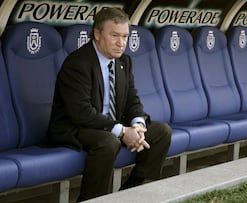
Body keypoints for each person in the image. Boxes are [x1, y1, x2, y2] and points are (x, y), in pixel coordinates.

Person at [47, 7, 171, 201]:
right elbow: (81, 113)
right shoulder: (77, 64)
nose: (121, 43)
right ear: (97, 34)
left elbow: (132, 99)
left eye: (125, 36)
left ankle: (134, 193)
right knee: (108, 142)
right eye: (114, 35)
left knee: (161, 132)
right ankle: (93, 199)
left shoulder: (124, 62)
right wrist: (122, 131)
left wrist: (138, 125)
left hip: (110, 125)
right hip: (77, 127)